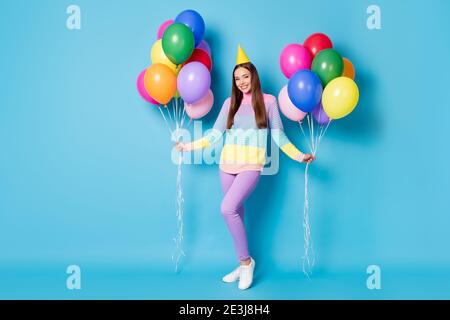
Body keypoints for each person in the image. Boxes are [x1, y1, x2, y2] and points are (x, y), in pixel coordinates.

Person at [176, 45, 315, 290]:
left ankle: (246, 261)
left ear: (254, 76)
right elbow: (214, 135)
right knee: (236, 213)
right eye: (237, 78)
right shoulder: (230, 103)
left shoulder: (269, 102)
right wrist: (188, 147)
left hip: (251, 165)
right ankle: (241, 265)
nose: (241, 82)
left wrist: (299, 155)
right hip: (227, 165)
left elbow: (279, 138)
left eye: (245, 77)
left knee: (226, 208)